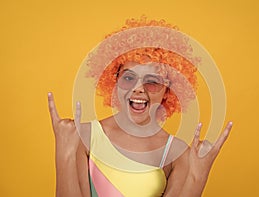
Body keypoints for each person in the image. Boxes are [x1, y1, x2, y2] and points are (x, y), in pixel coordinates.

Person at [48, 17, 233, 197]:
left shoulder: (176, 152)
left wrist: (198, 174)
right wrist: (64, 153)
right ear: (115, 81)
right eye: (128, 78)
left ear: (168, 90)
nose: (138, 89)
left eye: (152, 82)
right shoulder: (84, 135)